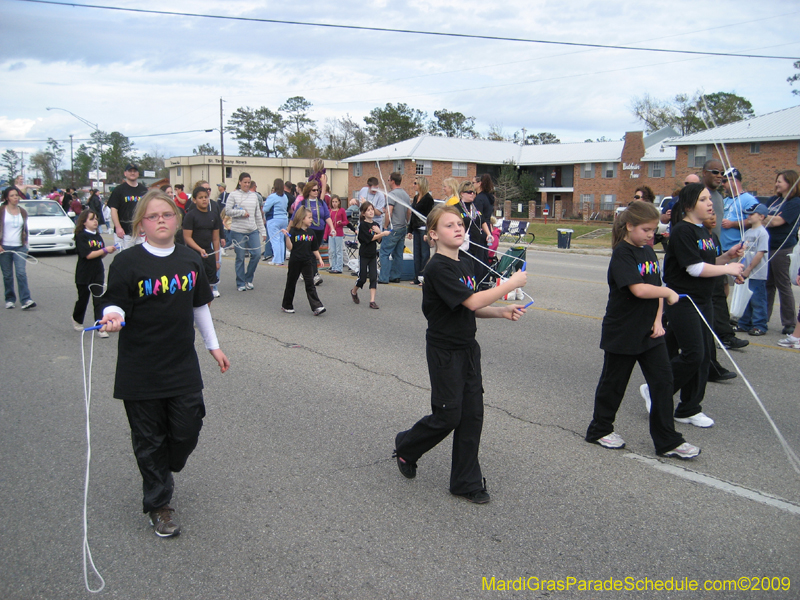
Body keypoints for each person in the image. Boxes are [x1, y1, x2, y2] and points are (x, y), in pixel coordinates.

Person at [98, 190, 229, 538]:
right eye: (153, 216)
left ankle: (163, 465)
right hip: (139, 369)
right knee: (148, 439)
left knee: (188, 428)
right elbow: (114, 302)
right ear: (141, 224)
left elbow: (199, 306)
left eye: (167, 215)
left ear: (176, 220)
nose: (161, 220)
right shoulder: (127, 263)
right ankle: (159, 504)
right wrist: (113, 316)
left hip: (181, 364)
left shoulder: (190, 260)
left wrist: (213, 346)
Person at [393, 205, 528, 504]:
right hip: (444, 351)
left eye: (459, 224)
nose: (458, 228)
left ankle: (465, 482)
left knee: (472, 416)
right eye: (449, 225)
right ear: (433, 235)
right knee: (448, 415)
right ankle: (407, 446)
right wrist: (509, 285)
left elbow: (471, 306)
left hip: (468, 349)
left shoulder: (464, 264)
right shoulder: (437, 268)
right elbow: (471, 301)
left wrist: (502, 312)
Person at [586, 201, 699, 459]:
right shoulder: (622, 254)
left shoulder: (648, 252)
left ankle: (667, 441)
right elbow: (639, 289)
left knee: (663, 382)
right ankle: (600, 429)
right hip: (623, 331)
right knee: (614, 384)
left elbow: (655, 287)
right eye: (646, 230)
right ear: (629, 226)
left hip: (650, 333)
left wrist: (658, 320)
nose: (650, 235)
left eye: (653, 230)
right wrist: (669, 292)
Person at [662, 183, 744, 428]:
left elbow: (708, 262)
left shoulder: (705, 233)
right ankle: (657, 388)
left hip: (703, 300)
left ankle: (689, 408)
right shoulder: (682, 231)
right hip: (684, 300)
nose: (710, 203)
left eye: (709, 198)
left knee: (704, 356)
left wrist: (727, 257)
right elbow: (694, 268)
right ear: (688, 205)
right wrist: (727, 268)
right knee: (693, 354)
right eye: (703, 199)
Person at [764, 170, 800, 335]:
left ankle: (789, 322)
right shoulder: (773, 200)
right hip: (767, 246)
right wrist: (766, 217)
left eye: (780, 181)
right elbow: (759, 217)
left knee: (783, 284)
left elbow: (778, 221)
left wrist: (765, 218)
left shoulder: (795, 202)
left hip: (783, 247)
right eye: (776, 181)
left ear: (790, 183)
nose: (776, 184)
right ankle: (762, 319)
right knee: (767, 285)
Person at [71, 209, 116, 337]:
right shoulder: (81, 236)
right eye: (91, 219)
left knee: (99, 300)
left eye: (96, 219)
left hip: (97, 272)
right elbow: (88, 255)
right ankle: (77, 319)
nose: (95, 221)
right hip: (84, 273)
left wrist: (107, 251)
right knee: (83, 299)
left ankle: (100, 327)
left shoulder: (97, 236)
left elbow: (100, 255)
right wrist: (104, 250)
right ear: (84, 222)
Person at [280, 207, 326, 316]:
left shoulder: (311, 232)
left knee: (310, 284)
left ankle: (317, 306)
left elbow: (314, 248)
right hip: (295, 261)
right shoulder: (293, 231)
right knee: (291, 283)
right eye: (309, 217)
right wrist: (287, 237)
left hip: (307, 261)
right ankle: (287, 305)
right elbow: (290, 247)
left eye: (311, 217)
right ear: (302, 218)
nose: (311, 219)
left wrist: (319, 258)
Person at [226, 172, 267, 292]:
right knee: (240, 257)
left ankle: (248, 278)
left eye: (249, 182)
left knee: (256, 254)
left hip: (252, 230)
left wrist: (263, 231)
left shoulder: (254, 196)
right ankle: (240, 282)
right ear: (240, 182)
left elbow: (258, 215)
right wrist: (241, 213)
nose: (247, 184)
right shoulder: (233, 195)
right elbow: (227, 211)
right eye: (245, 182)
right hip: (238, 231)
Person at [733, 204, 769, 336]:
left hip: (757, 274)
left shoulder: (762, 233)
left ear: (761, 216)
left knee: (757, 300)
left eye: (752, 214)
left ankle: (760, 325)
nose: (749, 216)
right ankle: (744, 323)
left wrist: (749, 269)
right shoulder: (747, 232)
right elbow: (742, 251)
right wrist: (740, 267)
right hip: (745, 272)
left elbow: (760, 254)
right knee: (745, 299)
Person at [0, 186, 36, 309]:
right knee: (7, 275)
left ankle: (26, 299)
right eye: (12, 196)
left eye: (16, 195)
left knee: (21, 273)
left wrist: (26, 244)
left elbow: (25, 229)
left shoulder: (23, 212)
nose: (15, 198)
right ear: (7, 198)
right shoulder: (2, 210)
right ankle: (9, 299)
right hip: (4, 247)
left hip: (19, 247)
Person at [182, 186, 221, 297]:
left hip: (209, 253)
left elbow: (215, 239)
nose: (204, 199)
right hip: (194, 254)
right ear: (194, 200)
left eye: (206, 197)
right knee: (195, 285)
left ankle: (207, 307)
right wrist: (199, 250)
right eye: (200, 197)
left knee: (210, 285)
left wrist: (217, 260)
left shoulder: (213, 216)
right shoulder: (190, 216)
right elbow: (187, 237)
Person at [292, 181, 334, 286]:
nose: (316, 192)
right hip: (308, 230)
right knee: (311, 252)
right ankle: (315, 274)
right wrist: (289, 230)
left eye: (317, 190)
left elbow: (327, 216)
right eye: (314, 190)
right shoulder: (303, 203)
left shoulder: (321, 202)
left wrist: (332, 228)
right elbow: (294, 217)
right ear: (309, 191)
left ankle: (305, 270)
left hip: (320, 230)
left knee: (314, 251)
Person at [350, 201, 389, 309]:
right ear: (363, 213)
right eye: (368, 210)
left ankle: (372, 301)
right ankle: (354, 291)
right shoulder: (363, 225)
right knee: (362, 278)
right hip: (364, 254)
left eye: (372, 209)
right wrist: (382, 233)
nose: (371, 211)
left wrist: (379, 232)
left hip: (372, 254)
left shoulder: (375, 225)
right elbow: (369, 238)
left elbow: (379, 240)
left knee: (373, 277)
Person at [378, 172, 410, 284]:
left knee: (384, 253)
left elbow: (389, 211)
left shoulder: (392, 194)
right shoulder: (406, 195)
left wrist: (385, 226)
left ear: (392, 181)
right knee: (398, 254)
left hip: (393, 227)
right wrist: (406, 222)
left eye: (388, 180)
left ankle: (383, 277)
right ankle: (396, 276)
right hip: (402, 227)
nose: (387, 182)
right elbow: (409, 212)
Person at [108, 163, 148, 249]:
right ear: (125, 173)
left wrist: (144, 226)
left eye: (135, 171)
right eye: (130, 171)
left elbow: (148, 210)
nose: (132, 173)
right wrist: (118, 227)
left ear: (138, 174)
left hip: (140, 232)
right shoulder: (119, 190)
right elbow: (114, 210)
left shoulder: (144, 190)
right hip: (124, 232)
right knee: (125, 256)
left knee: (141, 255)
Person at [720, 167, 758, 252]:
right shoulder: (724, 200)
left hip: (738, 249)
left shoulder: (749, 200)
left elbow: (755, 221)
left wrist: (732, 224)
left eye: (725, 181)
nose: (722, 184)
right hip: (722, 248)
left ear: (734, 180)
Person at [408, 175, 435, 285]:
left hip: (424, 228)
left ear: (421, 184)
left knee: (425, 254)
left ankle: (424, 277)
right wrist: (409, 230)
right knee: (416, 254)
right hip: (416, 228)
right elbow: (413, 214)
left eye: (415, 183)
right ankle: (417, 277)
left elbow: (430, 216)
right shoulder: (416, 198)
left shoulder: (428, 199)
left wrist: (428, 231)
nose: (413, 185)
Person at [262, 178, 289, 266]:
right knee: (281, 240)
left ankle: (277, 259)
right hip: (284, 219)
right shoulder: (285, 197)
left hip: (274, 219)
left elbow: (265, 209)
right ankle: (280, 259)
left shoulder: (272, 196)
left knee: (275, 240)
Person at [328, 195, 347, 274]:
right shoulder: (330, 211)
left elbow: (346, 221)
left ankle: (339, 267)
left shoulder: (341, 210)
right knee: (332, 251)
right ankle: (333, 266)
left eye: (336, 202)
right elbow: (327, 224)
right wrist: (326, 235)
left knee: (339, 251)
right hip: (331, 234)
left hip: (339, 233)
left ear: (339, 202)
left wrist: (341, 223)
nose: (334, 203)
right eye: (333, 202)